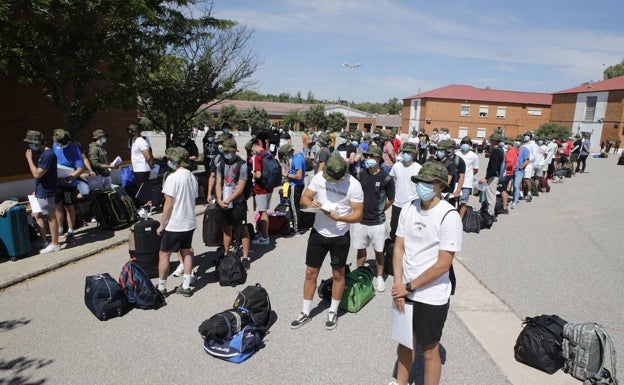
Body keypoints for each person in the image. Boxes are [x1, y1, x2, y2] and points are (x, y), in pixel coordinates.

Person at [390, 160, 462, 385]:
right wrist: (399, 286)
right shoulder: (409, 208)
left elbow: (443, 264)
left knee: (429, 351)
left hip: (432, 295)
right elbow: (399, 248)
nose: (423, 186)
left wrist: (409, 287)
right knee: (404, 342)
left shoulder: (448, 216)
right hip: (406, 290)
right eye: (420, 181)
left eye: (429, 182)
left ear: (440, 185)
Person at [290, 155, 363, 331]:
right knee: (310, 273)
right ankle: (306, 312)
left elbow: (358, 214)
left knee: (338, 274)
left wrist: (341, 217)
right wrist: (312, 202)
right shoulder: (320, 176)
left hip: (340, 236)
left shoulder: (354, 185)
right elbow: (304, 198)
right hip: (318, 233)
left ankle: (333, 311)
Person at [155, 147, 198, 297]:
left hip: (175, 223)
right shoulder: (193, 177)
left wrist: (162, 224)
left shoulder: (172, 178)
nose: (169, 162)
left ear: (176, 161)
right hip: (189, 221)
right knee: (186, 252)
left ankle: (161, 287)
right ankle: (186, 286)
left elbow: (168, 204)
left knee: (164, 254)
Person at [352, 146, 395, 292]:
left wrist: (381, 209)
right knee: (360, 249)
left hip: (377, 222)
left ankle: (379, 277)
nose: (368, 159)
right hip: (360, 221)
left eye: (372, 156)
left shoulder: (386, 178)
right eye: (367, 156)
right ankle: (359, 275)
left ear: (378, 159)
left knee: (379, 251)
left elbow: (391, 199)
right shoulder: (360, 175)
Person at [215, 139, 252, 269]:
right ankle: (226, 255)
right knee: (226, 229)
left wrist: (229, 200)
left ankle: (245, 256)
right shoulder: (220, 164)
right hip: (224, 201)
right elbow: (218, 183)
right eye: (224, 151)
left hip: (238, 202)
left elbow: (241, 188)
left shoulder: (242, 165)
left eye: (228, 151)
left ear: (234, 151)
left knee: (242, 228)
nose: (226, 153)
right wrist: (219, 200)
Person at [24, 130, 61, 254]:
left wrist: (29, 159)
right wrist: (37, 189)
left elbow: (37, 174)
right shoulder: (45, 154)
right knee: (37, 215)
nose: (30, 146)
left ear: (37, 143)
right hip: (42, 190)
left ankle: (55, 243)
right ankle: (45, 241)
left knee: (50, 216)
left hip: (46, 192)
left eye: (30, 143)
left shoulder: (47, 155)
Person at [52, 129, 85, 243]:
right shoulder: (55, 145)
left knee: (69, 206)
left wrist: (67, 178)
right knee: (57, 205)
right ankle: (60, 229)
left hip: (69, 182)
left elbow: (80, 168)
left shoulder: (74, 148)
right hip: (56, 181)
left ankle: (71, 231)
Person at [389, 142, 421, 241]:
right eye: (404, 152)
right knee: (394, 229)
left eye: (408, 152)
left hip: (412, 205)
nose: (405, 154)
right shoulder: (396, 166)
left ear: (413, 154)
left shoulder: (418, 168)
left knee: (409, 231)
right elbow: (393, 180)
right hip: (397, 204)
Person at [250, 140, 274, 246]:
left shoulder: (258, 157)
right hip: (269, 187)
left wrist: (251, 174)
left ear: (253, 148)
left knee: (263, 212)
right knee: (263, 211)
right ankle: (263, 234)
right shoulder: (269, 153)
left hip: (261, 188)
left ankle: (265, 238)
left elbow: (258, 175)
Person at [279, 144, 306, 235]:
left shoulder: (297, 159)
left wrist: (286, 175)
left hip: (296, 185)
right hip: (295, 184)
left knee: (294, 207)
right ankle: (295, 225)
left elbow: (299, 176)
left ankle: (297, 228)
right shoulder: (297, 156)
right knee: (293, 206)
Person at [478, 133, 504, 218]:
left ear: (493, 141)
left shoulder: (496, 152)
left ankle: (490, 213)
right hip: (495, 175)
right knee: (490, 194)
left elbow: (493, 167)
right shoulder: (501, 150)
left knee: (490, 196)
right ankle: (489, 211)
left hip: (493, 176)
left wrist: (486, 178)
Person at [128, 123, 154, 200]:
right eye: (129, 131)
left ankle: (147, 206)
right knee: (140, 189)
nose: (130, 133)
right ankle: (144, 204)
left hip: (142, 170)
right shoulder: (133, 141)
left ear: (137, 132)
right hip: (137, 169)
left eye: (132, 131)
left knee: (144, 190)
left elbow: (148, 157)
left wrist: (150, 165)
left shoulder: (141, 141)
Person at [456, 136, 479, 219]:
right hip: (456, 182)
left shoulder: (473, 156)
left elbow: (475, 169)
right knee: (454, 201)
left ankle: (460, 220)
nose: (465, 145)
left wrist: (468, 175)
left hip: (467, 183)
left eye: (467, 143)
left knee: (463, 202)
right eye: (464, 143)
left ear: (470, 145)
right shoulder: (457, 154)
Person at [511, 135, 530, 209]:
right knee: (514, 186)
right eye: (516, 140)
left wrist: (520, 167)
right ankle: (514, 198)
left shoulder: (525, 150)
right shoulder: (514, 149)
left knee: (516, 185)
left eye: (519, 140)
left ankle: (515, 202)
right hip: (512, 170)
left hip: (519, 171)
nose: (517, 142)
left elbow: (526, 161)